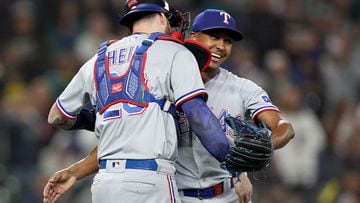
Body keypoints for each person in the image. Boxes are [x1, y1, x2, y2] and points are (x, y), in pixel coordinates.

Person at [43, 8, 295, 203]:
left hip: (226, 194)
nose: (221, 46)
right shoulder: (164, 82)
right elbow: (129, 141)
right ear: (194, 37)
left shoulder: (242, 88)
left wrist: (261, 150)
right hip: (176, 193)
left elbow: (283, 127)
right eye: (214, 37)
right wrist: (76, 171)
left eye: (228, 41)